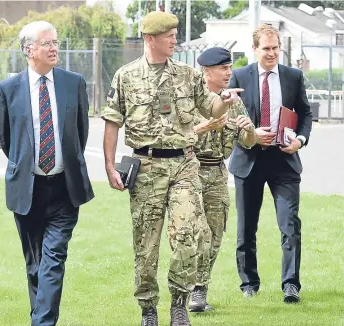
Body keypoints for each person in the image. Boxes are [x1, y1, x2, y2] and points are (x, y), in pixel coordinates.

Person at [102, 11, 243, 326]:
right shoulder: (125, 76)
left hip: (183, 165)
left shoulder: (188, 75)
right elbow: (112, 121)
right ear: (150, 38)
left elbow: (212, 107)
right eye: (169, 35)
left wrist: (225, 99)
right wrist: (110, 165)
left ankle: (179, 303)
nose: (175, 39)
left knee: (186, 237)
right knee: (146, 245)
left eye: (176, 34)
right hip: (145, 167)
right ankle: (148, 310)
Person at [0, 20, 94, 325]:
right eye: (47, 43)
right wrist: (28, 166)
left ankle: (43, 322)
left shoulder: (72, 82)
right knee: (35, 263)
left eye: (56, 42)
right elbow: (6, 140)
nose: (54, 48)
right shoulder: (8, 89)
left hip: (65, 188)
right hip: (28, 189)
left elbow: (80, 132)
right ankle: (40, 316)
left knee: (53, 261)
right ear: (29, 50)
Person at [228, 24, 312, 303]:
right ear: (255, 49)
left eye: (276, 47)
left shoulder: (293, 76)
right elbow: (228, 120)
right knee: (246, 227)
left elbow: (305, 114)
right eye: (266, 48)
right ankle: (249, 283)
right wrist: (251, 136)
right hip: (248, 160)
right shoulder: (239, 76)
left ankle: (291, 284)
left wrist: (299, 139)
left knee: (290, 224)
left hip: (284, 160)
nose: (272, 53)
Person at [188, 47, 257, 313]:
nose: (229, 73)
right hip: (189, 171)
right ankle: (185, 288)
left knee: (215, 235)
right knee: (194, 234)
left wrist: (248, 130)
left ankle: (199, 291)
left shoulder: (234, 100)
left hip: (217, 173)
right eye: (223, 69)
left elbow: (248, 143)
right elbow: (175, 135)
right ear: (207, 71)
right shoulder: (190, 97)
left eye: (230, 68)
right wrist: (205, 126)